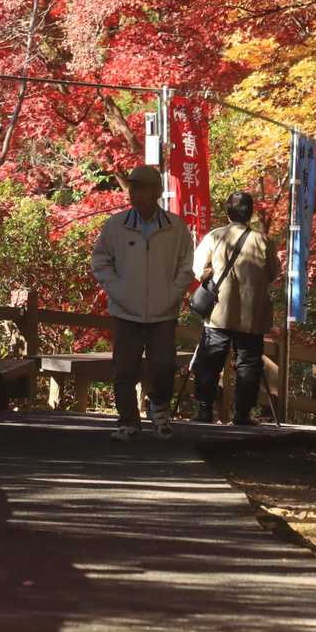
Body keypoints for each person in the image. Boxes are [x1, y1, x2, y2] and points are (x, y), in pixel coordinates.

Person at [90, 164, 194, 442]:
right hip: (125, 310)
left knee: (164, 365)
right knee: (125, 369)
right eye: (133, 187)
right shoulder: (116, 225)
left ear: (157, 192)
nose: (135, 193)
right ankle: (127, 421)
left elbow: (186, 265)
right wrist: (118, 290)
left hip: (163, 311)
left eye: (142, 188)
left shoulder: (175, 226)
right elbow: (100, 261)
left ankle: (159, 408)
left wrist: (173, 294)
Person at [191, 191, 277, 426]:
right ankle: (242, 415)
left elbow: (198, 269)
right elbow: (272, 274)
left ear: (228, 212)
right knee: (248, 364)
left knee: (209, 362)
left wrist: (211, 274)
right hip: (252, 314)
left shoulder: (215, 236)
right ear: (251, 213)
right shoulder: (263, 241)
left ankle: (204, 411)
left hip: (218, 312)